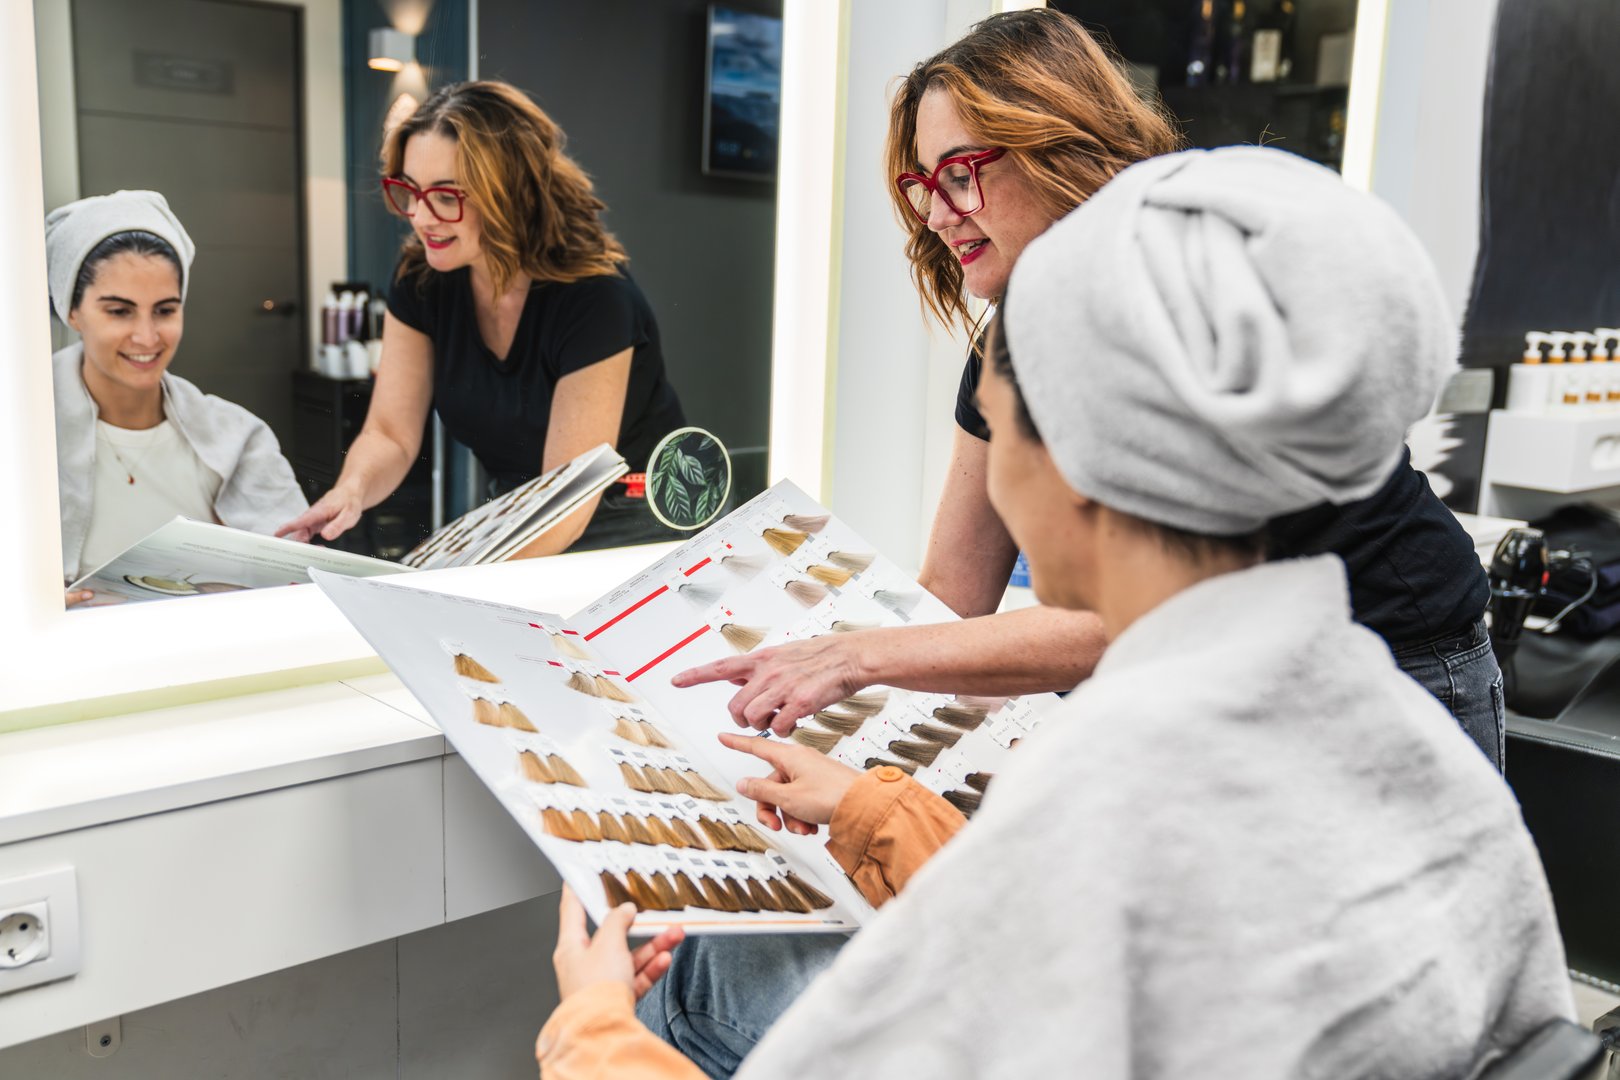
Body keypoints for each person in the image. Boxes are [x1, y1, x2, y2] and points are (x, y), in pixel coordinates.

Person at [536, 147, 1573, 1079]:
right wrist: (872, 812)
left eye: (994, 430)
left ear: (1079, 460)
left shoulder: (1110, 796)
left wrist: (590, 1027)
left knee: (696, 979)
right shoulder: (1406, 749)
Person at [674, 9, 1505, 771]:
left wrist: (857, 659)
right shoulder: (1010, 339)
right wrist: (790, 651)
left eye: (960, 173)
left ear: (1061, 146)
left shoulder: (1187, 301)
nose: (935, 213)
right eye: (923, 185)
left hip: (1386, 661)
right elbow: (954, 594)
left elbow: (1142, 613)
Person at [278, 81, 687, 555]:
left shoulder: (595, 300)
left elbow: (568, 500)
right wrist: (350, 490)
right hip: (518, 512)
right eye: (410, 190)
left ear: (511, 192)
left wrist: (466, 579)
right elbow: (390, 432)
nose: (420, 217)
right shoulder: (422, 280)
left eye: (446, 196)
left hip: (634, 522)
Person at [47, 190, 306, 604]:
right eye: (119, 311)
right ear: (72, 311)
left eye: (165, 310)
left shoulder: (238, 439)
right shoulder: (23, 435)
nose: (147, 337)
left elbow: (300, 576)